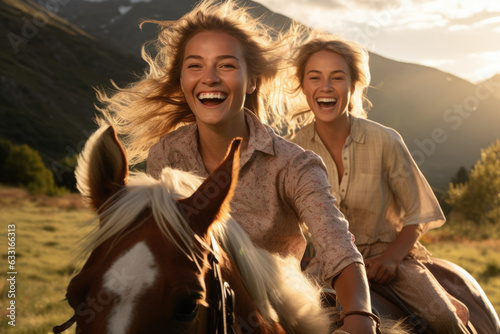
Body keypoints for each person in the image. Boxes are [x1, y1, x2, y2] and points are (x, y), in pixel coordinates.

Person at [96, 0, 377, 332]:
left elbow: (337, 246)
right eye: (195, 66)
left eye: (226, 66)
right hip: (197, 312)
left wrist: (359, 316)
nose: (209, 78)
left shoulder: (294, 164)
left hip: (281, 314)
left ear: (253, 80)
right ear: (182, 79)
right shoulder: (166, 155)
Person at [285, 32, 470, 333]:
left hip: (391, 261)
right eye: (315, 77)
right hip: (326, 266)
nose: (326, 87)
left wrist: (391, 260)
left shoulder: (385, 140)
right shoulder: (292, 150)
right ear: (303, 86)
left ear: (354, 85)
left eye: (337, 77)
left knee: (443, 319)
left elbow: (417, 214)